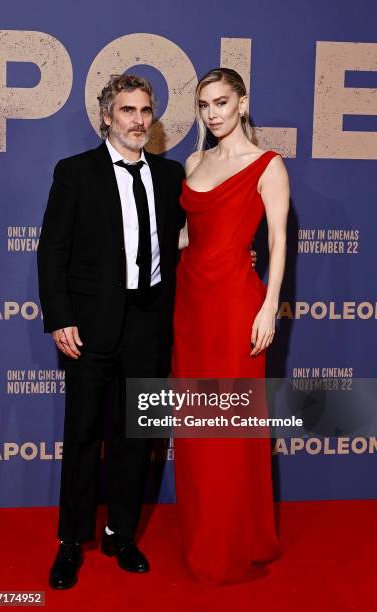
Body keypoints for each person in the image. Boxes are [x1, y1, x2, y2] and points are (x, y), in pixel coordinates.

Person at [37, 73, 186, 589]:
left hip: (150, 322)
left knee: (136, 434)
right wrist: (59, 316)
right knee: (82, 435)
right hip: (91, 325)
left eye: (146, 111)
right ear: (107, 116)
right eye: (128, 111)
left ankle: (122, 532)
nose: (139, 121)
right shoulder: (76, 173)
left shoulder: (169, 176)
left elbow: (186, 238)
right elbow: (52, 250)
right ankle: (72, 541)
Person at [172, 67, 290, 585]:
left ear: (242, 103)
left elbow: (280, 243)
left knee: (231, 429)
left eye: (221, 102)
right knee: (197, 430)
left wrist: (268, 307)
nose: (213, 113)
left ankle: (236, 542)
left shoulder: (268, 165)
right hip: (190, 306)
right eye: (204, 105)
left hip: (236, 307)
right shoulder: (194, 161)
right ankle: (205, 535)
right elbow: (189, 236)